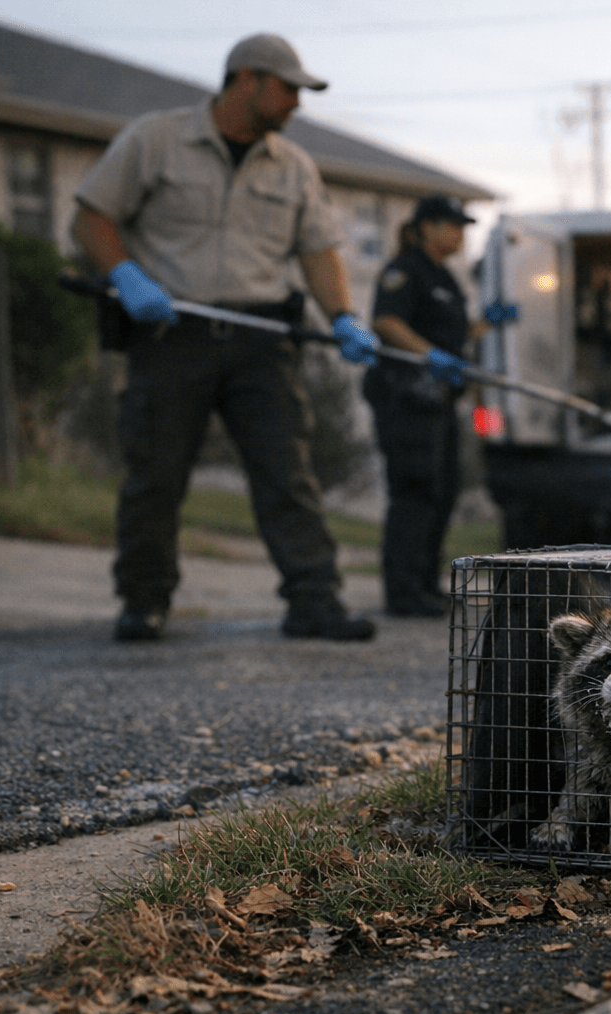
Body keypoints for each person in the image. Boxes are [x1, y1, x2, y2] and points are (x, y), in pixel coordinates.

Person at [70, 32, 382, 642]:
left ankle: (314, 601)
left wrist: (343, 315)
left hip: (261, 340)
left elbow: (319, 251)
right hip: (169, 332)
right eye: (289, 87)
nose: (296, 101)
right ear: (248, 80)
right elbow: (90, 217)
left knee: (286, 472)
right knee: (155, 474)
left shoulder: (293, 166)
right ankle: (143, 600)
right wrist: (126, 274)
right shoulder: (155, 140)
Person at [364, 194, 478, 617]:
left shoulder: (444, 277)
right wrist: (429, 354)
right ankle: (403, 591)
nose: (458, 233)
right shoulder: (404, 271)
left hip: (439, 400)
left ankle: (427, 585)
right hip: (406, 397)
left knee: (442, 491)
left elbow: (451, 334)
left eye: (463, 226)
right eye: (451, 224)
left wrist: (488, 326)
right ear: (425, 226)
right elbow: (386, 322)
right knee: (415, 491)